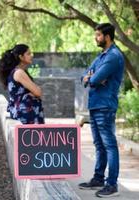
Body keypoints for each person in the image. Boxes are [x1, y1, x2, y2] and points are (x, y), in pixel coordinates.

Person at [79, 23, 124, 198]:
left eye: (98, 35)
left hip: (105, 106)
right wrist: (91, 78)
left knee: (110, 146)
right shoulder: (101, 56)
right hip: (96, 105)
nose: (95, 38)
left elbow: (94, 78)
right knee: (99, 145)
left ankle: (111, 185)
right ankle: (98, 179)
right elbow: (85, 77)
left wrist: (93, 78)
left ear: (107, 36)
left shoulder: (113, 56)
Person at [0, 44, 44, 124]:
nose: (31, 56)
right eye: (28, 54)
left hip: (26, 113)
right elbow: (38, 92)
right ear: (21, 57)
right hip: (25, 115)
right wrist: (34, 92)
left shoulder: (19, 72)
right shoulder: (19, 73)